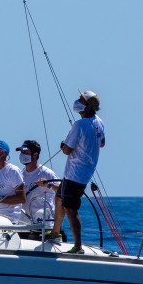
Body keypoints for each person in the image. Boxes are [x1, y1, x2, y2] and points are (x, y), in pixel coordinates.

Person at [48, 91, 106, 253]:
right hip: (83, 172)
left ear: (87, 107)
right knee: (59, 197)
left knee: (71, 210)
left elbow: (66, 150)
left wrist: (63, 145)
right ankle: (55, 233)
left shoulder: (80, 125)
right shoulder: (99, 122)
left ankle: (78, 246)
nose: (77, 101)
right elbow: (102, 143)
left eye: (81, 100)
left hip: (75, 174)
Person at [17, 140, 58, 228]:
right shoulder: (20, 174)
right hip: (23, 223)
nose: (22, 154)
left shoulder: (46, 173)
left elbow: (62, 189)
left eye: (25, 152)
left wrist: (48, 185)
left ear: (35, 155)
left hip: (42, 224)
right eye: (21, 152)